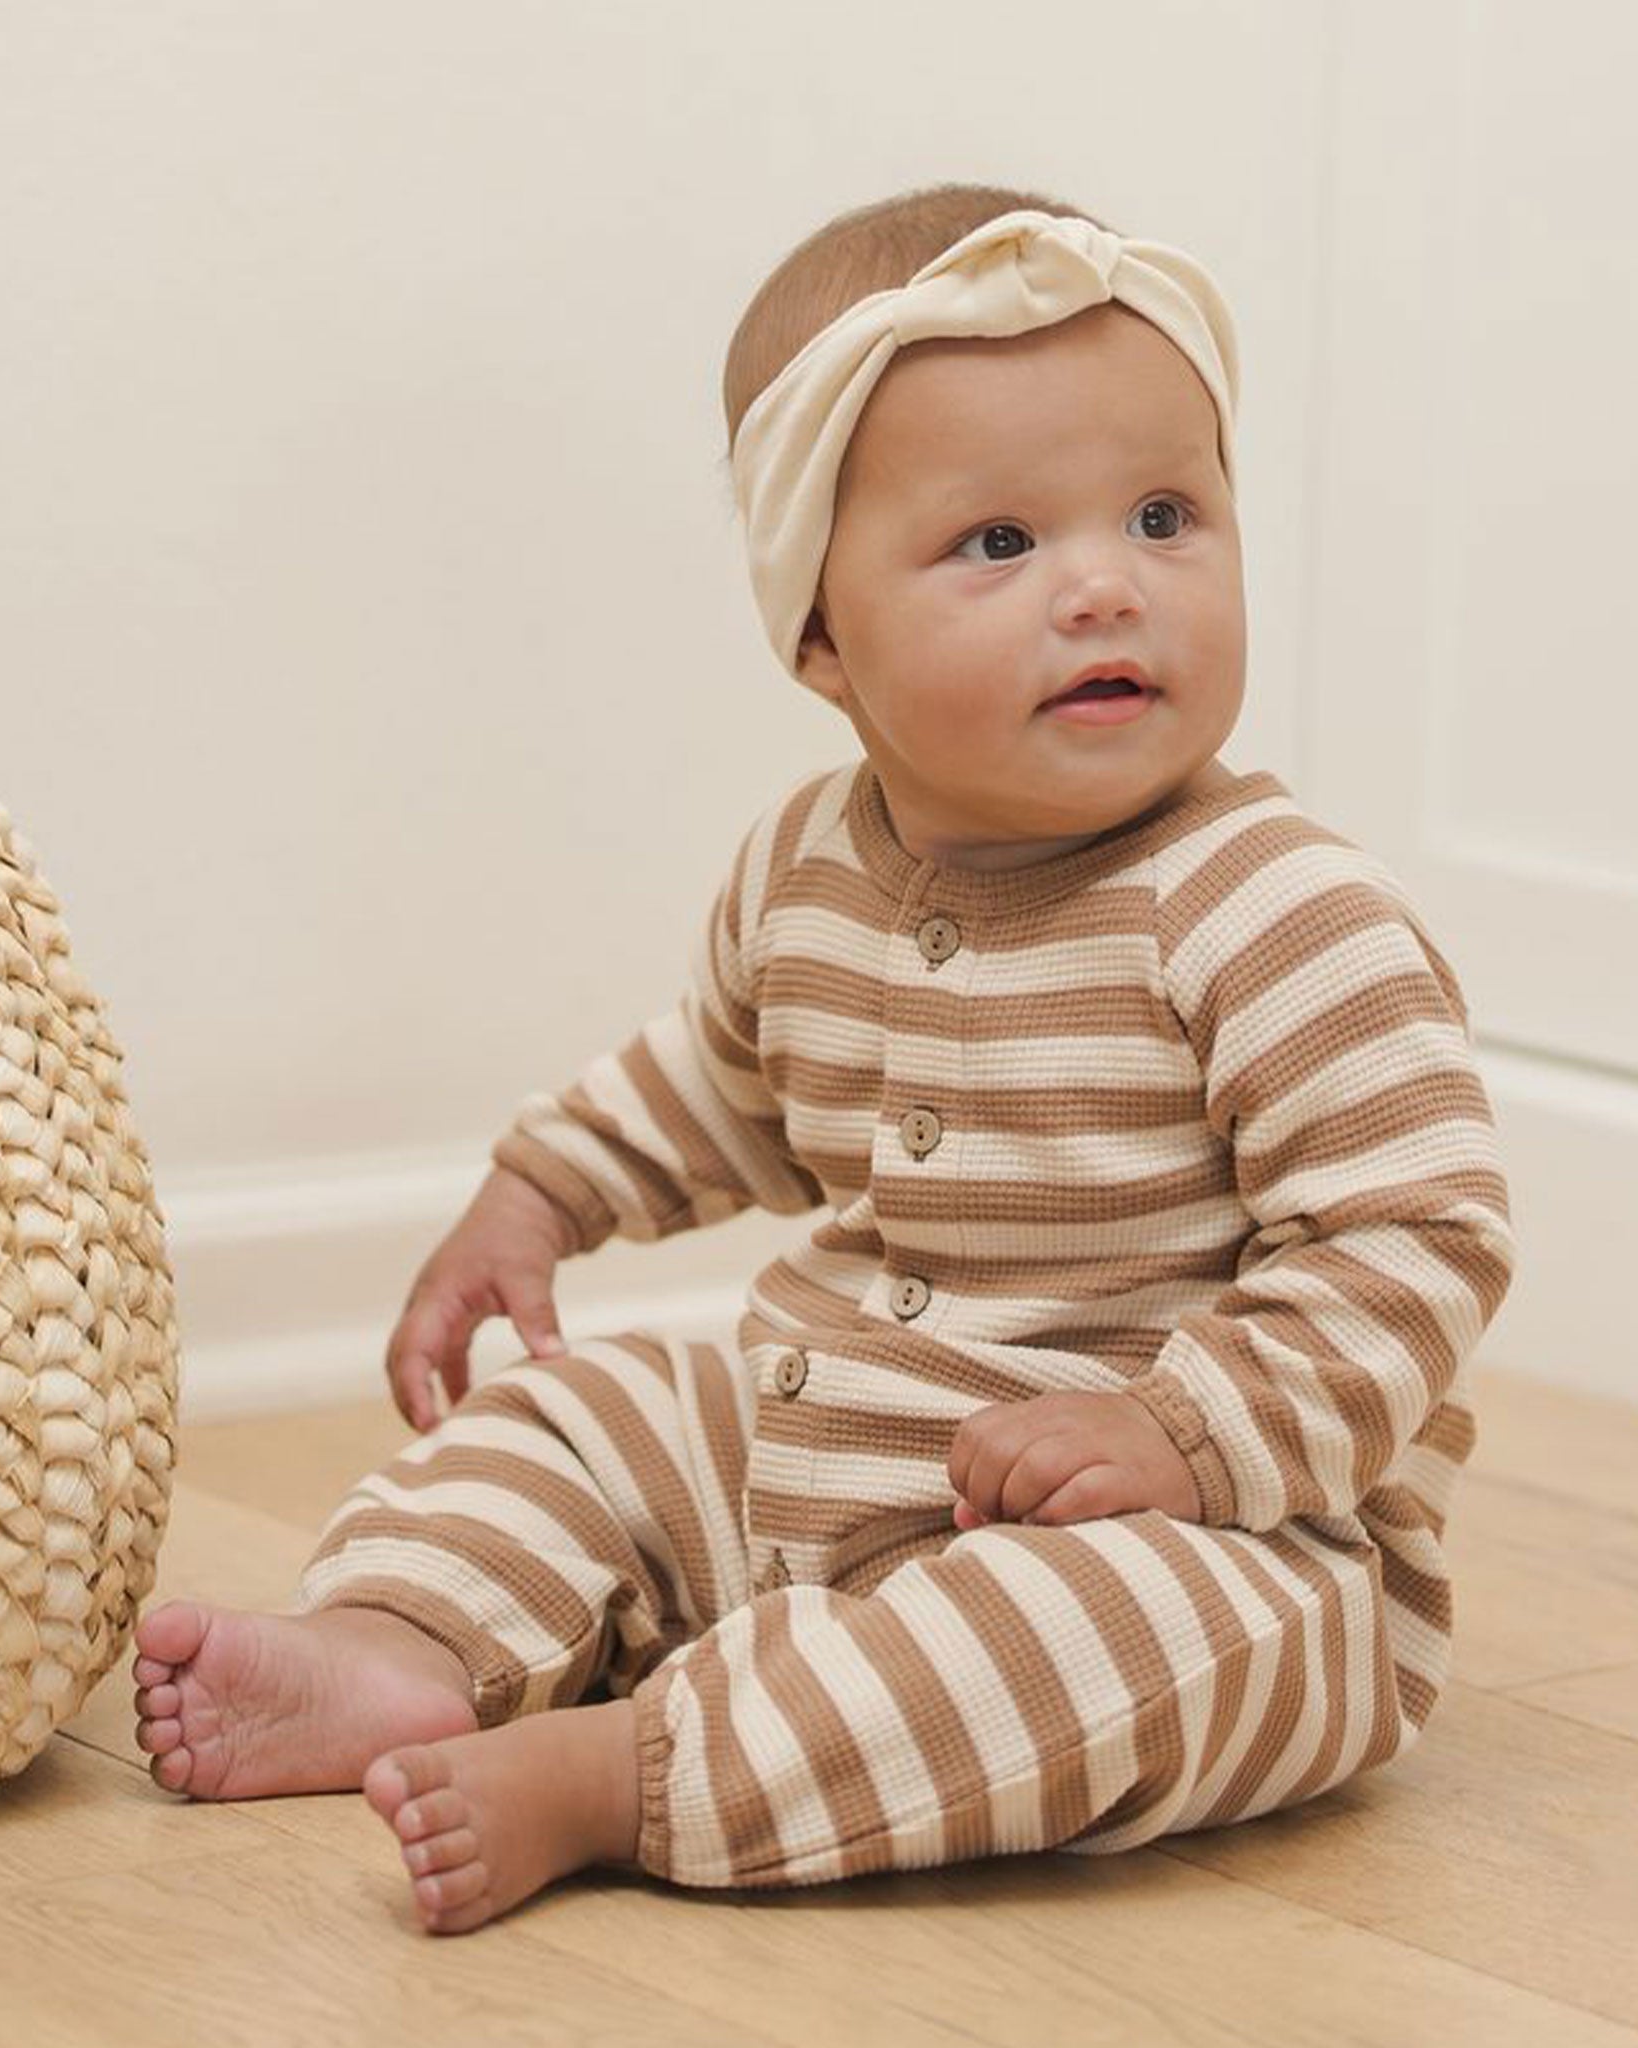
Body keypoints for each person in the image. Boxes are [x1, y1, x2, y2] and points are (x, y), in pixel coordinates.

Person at [132, 182, 1515, 1936]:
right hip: (833, 1444)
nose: (1105, 585)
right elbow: (724, 1084)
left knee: (1073, 1649)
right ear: (820, 639)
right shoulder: (809, 870)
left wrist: (1178, 1433)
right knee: (590, 1415)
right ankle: (398, 1640)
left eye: (1166, 515)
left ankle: (636, 1771)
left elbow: (1419, 1241)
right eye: (1001, 543)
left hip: (1228, 1535)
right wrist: (538, 1192)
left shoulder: (1272, 908)